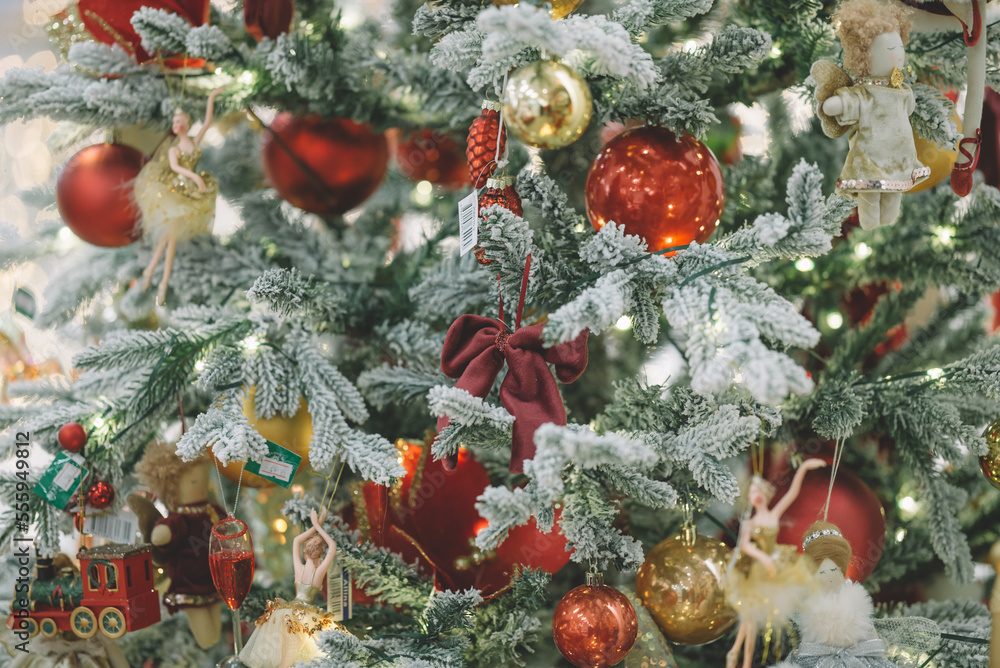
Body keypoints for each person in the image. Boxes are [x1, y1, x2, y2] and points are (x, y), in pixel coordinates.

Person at [813, 0, 930, 229]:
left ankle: (886, 221)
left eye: (899, 48)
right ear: (864, 55)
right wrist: (836, 103)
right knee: (871, 194)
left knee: (894, 192)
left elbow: (908, 107)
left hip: (899, 156)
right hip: (871, 158)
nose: (897, 54)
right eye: (890, 49)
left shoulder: (901, 89)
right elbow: (849, 103)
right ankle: (869, 223)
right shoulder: (865, 94)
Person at [725, 459, 827, 668]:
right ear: (749, 497)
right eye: (752, 492)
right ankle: (734, 654)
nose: (756, 495)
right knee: (749, 618)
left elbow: (793, 492)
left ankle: (743, 661)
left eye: (758, 490)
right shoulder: (750, 522)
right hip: (759, 570)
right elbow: (745, 545)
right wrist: (763, 558)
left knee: (754, 620)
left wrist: (805, 467)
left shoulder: (772, 514)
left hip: (775, 564)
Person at [134, 87, 222, 305]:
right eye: (174, 122)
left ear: (187, 122)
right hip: (178, 191)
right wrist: (195, 177)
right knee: (169, 238)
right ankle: (160, 282)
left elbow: (208, 121)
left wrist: (212, 96)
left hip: (190, 191)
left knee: (168, 239)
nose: (176, 125)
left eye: (179, 121)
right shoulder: (173, 149)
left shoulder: (193, 140)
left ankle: (152, 273)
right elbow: (176, 168)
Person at [133, 441, 224, 649]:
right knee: (207, 638)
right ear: (172, 488)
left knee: (215, 633)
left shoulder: (213, 509)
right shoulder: (178, 521)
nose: (201, 486)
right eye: (194, 482)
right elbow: (161, 535)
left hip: (215, 581)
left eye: (203, 480)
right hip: (189, 585)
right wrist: (160, 533)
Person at [773, 521, 899, 667]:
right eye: (821, 572)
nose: (828, 576)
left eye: (833, 570)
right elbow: (807, 646)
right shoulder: (812, 607)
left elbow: (871, 635)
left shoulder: (857, 602)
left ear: (842, 569)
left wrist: (880, 656)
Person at [240, 508, 342, 668]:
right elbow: (332, 546)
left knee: (284, 652)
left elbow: (296, 541)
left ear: (306, 552)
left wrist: (315, 526)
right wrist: (318, 527)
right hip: (306, 615)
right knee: (300, 653)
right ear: (320, 554)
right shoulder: (317, 570)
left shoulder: (302, 567)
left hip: (289, 611)